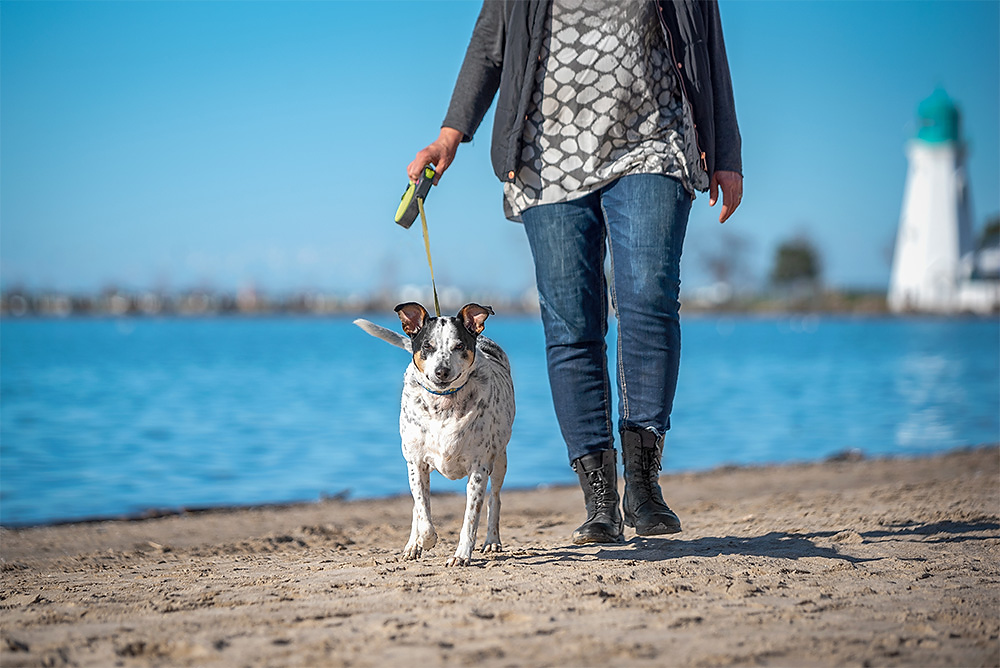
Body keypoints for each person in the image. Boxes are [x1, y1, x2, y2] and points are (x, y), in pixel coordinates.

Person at [407, 0, 743, 544]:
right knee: (571, 323)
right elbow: (491, 39)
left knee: (651, 298)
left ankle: (642, 480)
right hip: (547, 155)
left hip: (654, 137)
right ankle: (599, 496)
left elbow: (709, 39)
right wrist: (451, 133)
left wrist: (725, 148)